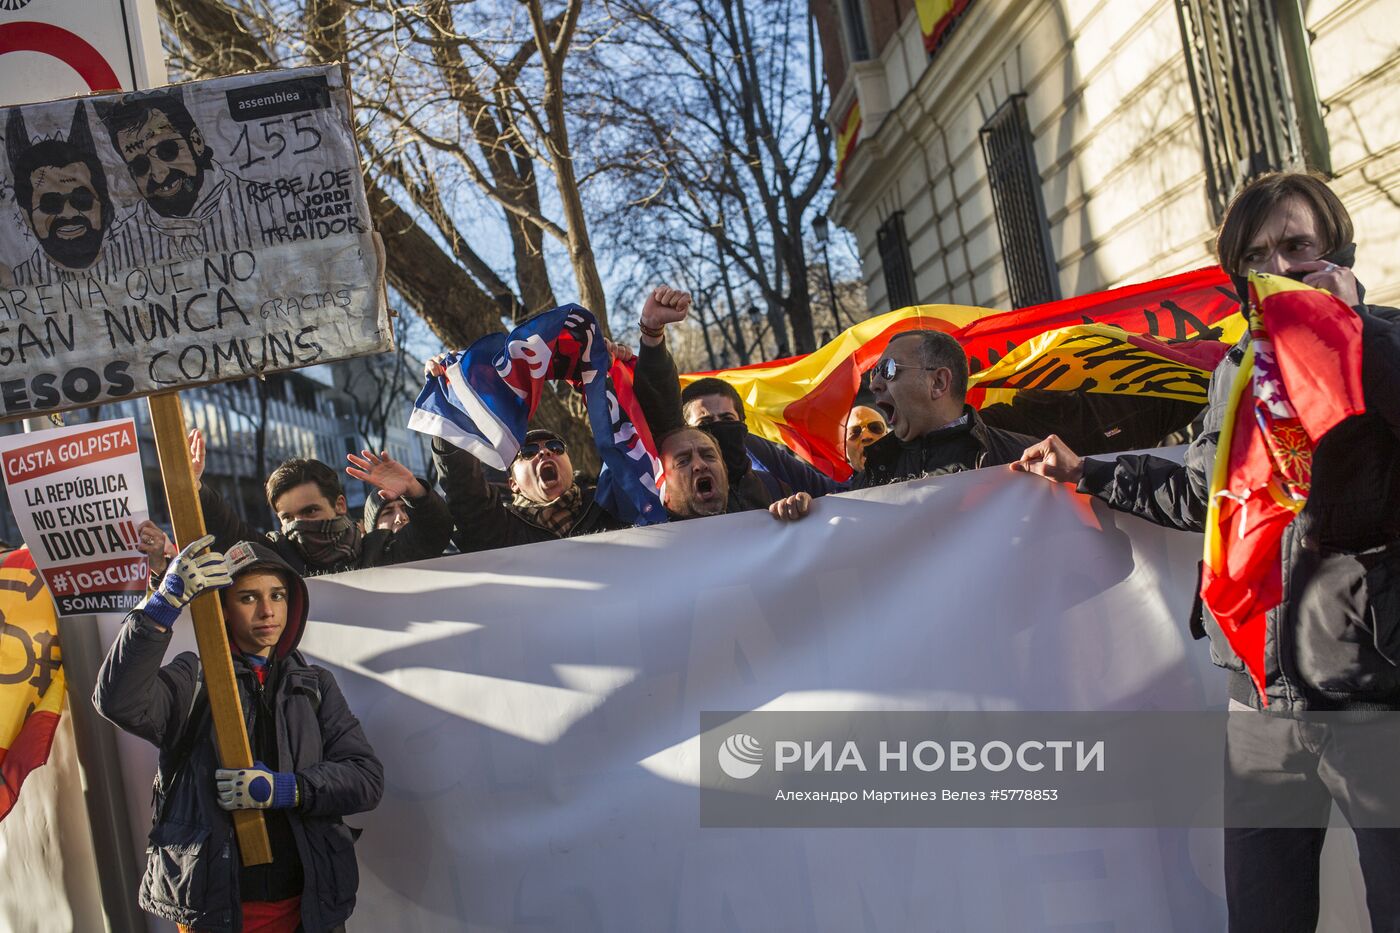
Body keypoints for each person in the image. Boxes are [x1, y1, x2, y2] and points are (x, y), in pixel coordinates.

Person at [1013, 171, 1400, 933]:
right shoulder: (1235, 373)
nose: (1280, 269)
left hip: (1371, 692)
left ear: (1338, 249)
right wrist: (1086, 470)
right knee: (1260, 914)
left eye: (1297, 246)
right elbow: (1202, 494)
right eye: (1257, 257)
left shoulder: (1383, 339)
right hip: (1258, 702)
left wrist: (1358, 332)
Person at [94, 535, 383, 933]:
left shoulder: (314, 684)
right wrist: (163, 605)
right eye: (248, 598)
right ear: (224, 609)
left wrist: (289, 789)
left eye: (278, 595)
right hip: (217, 910)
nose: (267, 611)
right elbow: (117, 701)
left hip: (309, 909)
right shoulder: (194, 678)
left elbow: (365, 779)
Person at [631, 286, 842, 509]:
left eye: (727, 419)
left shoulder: (775, 488)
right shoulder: (672, 498)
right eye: (705, 424)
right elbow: (661, 412)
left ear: (742, 425)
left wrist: (804, 509)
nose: (719, 430)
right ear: (686, 429)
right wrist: (652, 333)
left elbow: (834, 495)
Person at [189, 428, 452, 576]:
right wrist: (194, 488)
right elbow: (228, 532)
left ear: (339, 505)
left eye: (310, 511)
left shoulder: (382, 550)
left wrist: (414, 490)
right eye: (288, 518)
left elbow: (435, 532)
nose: (299, 525)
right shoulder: (276, 559)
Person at [95, 89, 295, 263]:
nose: (158, 173)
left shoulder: (271, 206)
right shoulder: (118, 245)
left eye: (167, 151)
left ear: (196, 142)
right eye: (140, 165)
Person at [855, 329, 1039, 488]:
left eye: (888, 369)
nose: (874, 385)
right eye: (874, 373)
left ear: (938, 382)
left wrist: (1069, 474)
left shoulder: (1028, 460)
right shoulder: (869, 479)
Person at [429, 421, 631, 552]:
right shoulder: (501, 529)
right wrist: (451, 410)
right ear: (513, 484)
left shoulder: (609, 501)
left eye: (555, 447)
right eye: (528, 451)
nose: (544, 453)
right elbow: (464, 490)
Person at [5, 102, 115, 284]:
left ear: (104, 203)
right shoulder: (14, 280)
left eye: (82, 199)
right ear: (26, 214)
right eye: (50, 204)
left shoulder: (144, 247)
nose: (69, 213)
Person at [658, 425, 813, 522]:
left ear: (725, 474)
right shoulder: (644, 549)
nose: (700, 465)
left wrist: (807, 516)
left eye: (709, 456)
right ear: (662, 489)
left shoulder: (771, 513)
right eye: (683, 461)